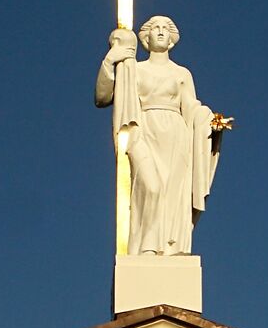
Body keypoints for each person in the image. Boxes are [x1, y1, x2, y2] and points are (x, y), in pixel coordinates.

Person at [94, 16, 233, 256]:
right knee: (151, 187)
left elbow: (191, 106)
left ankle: (172, 246)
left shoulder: (182, 73)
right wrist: (110, 61)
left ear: (171, 40)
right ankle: (146, 246)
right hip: (143, 129)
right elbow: (103, 97)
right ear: (145, 38)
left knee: (174, 191)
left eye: (165, 29)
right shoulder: (133, 69)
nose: (160, 32)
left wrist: (210, 120)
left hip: (176, 135)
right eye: (155, 28)